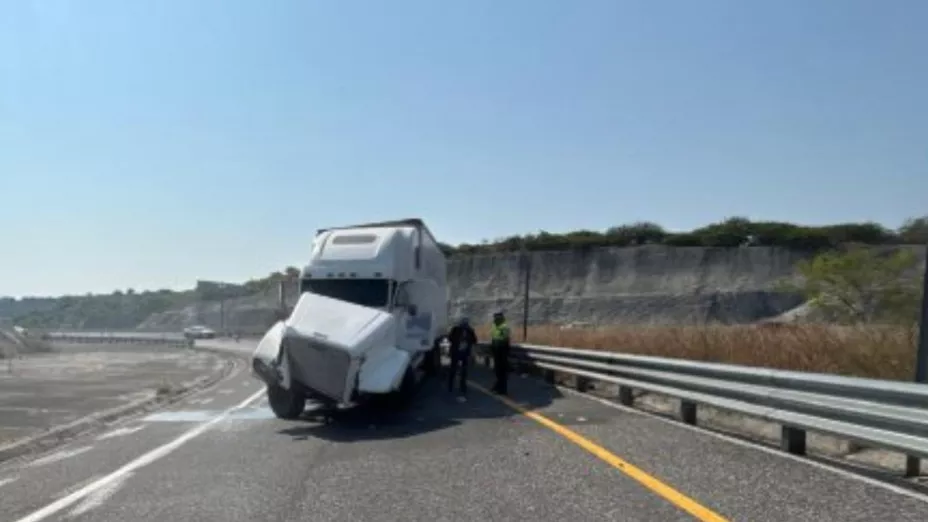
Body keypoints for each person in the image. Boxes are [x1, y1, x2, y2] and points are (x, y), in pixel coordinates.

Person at [446, 317, 477, 400]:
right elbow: (450, 338)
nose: (464, 325)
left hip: (464, 353)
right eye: (464, 323)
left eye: (465, 323)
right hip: (456, 352)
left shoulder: (470, 330)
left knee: (463, 371)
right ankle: (451, 386)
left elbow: (474, 340)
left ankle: (462, 387)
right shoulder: (456, 329)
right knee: (453, 369)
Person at [489, 311, 511, 395]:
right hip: (496, 350)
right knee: (498, 371)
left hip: (502, 351)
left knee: (502, 371)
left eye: (497, 317)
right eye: (495, 317)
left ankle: (502, 390)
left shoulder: (504, 326)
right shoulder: (494, 325)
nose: (495, 318)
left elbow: (505, 338)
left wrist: (498, 344)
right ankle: (498, 387)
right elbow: (494, 337)